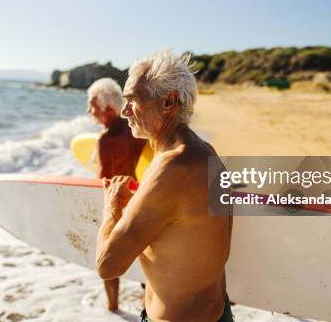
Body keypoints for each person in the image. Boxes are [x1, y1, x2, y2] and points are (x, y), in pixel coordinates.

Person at [96, 51, 233, 322]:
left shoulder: (173, 168)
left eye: (133, 100)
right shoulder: (206, 152)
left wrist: (111, 208)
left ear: (168, 101)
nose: (124, 111)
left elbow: (107, 265)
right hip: (218, 313)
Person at [87, 77, 146, 311]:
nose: (90, 111)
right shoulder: (135, 129)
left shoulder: (105, 141)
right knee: (144, 258)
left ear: (108, 109)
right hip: (138, 198)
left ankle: (112, 307)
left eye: (93, 106)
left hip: (116, 203)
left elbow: (101, 182)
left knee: (108, 259)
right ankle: (148, 308)